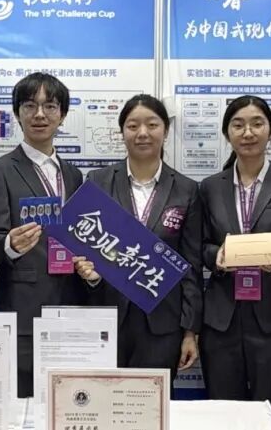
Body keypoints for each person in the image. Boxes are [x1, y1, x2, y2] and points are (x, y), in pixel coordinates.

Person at [197, 96, 271, 430]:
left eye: (257, 123)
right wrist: (216, 257)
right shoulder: (209, 188)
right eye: (238, 125)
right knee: (222, 411)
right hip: (221, 319)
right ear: (227, 133)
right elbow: (198, 246)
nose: (247, 132)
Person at [77, 95, 203, 385]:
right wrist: (91, 277)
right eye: (133, 126)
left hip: (163, 324)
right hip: (108, 321)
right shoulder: (97, 182)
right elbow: (86, 251)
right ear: (122, 132)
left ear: (165, 131)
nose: (142, 133)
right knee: (105, 401)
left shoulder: (186, 190)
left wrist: (189, 331)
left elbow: (190, 266)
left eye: (152, 125)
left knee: (153, 404)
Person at [0, 72, 90, 397]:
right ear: (17, 113)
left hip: (72, 305)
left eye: (50, 106)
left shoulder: (73, 174)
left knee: (69, 399)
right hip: (24, 308)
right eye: (30, 106)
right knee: (25, 402)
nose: (40, 114)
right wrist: (11, 245)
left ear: (63, 115)